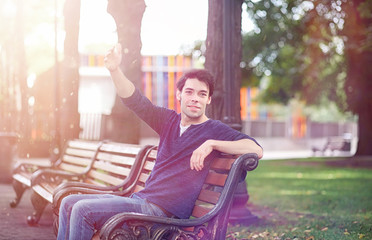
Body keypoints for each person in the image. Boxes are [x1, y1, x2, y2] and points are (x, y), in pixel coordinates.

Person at [57, 43, 263, 240]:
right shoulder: (168, 121)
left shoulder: (213, 130)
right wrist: (114, 70)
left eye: (202, 94)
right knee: (68, 202)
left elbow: (256, 149)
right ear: (179, 95)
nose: (195, 99)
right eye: (189, 92)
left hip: (162, 214)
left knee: (83, 210)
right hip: (141, 201)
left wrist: (212, 144)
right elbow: (135, 101)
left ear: (208, 100)